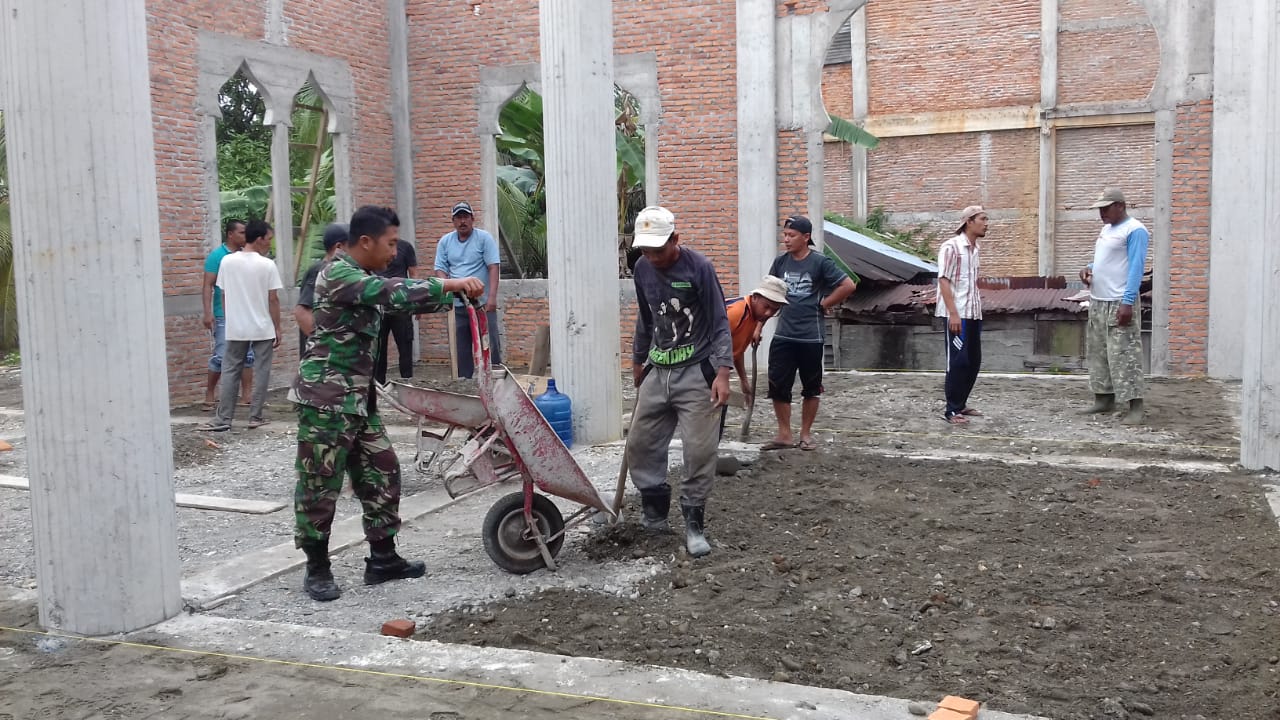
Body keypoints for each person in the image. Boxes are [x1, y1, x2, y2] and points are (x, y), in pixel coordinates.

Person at [290, 205, 483, 602]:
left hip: (359, 398)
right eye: (391, 243)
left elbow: (400, 299)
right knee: (320, 485)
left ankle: (383, 558)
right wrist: (449, 285)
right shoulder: (339, 274)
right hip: (327, 400)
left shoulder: (364, 278)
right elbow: (392, 291)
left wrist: (456, 296)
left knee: (382, 472)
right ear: (366, 242)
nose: (396, 251)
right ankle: (317, 567)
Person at [626, 205, 732, 558]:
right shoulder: (641, 268)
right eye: (646, 249)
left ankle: (693, 524)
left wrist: (722, 372)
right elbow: (644, 317)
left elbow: (719, 321)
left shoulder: (699, 267)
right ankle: (654, 514)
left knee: (699, 451)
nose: (652, 257)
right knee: (640, 443)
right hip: (658, 368)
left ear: (676, 239)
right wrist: (638, 359)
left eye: (659, 249)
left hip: (696, 370)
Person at [764, 215, 856, 451]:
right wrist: (757, 325)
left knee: (811, 387)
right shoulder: (780, 263)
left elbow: (848, 285)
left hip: (810, 336)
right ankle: (784, 434)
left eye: (791, 235)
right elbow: (769, 296)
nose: (786, 239)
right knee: (778, 385)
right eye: (785, 235)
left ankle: (805, 434)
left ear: (806, 238)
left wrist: (824, 304)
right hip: (784, 334)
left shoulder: (820, 262)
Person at [203, 219, 282, 431]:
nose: (269, 244)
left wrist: (231, 319)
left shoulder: (228, 262)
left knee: (230, 370)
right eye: (268, 239)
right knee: (262, 369)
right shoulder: (267, 265)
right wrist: (277, 326)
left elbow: (223, 294)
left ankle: (223, 419)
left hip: (236, 327)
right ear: (259, 239)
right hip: (262, 327)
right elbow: (273, 299)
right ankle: (255, 416)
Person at [1078, 188, 1149, 425]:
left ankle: (1135, 405)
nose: (1102, 213)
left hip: (1119, 300)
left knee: (1124, 354)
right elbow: (1106, 260)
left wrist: (1128, 302)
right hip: (1099, 299)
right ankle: (1104, 398)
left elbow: (1136, 267)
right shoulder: (1107, 229)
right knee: (1099, 352)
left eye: (1106, 208)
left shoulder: (1135, 230)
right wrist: (1089, 268)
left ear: (1120, 205)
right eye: (1100, 208)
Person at [434, 201, 501, 378]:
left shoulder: (484, 238)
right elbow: (439, 269)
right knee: (461, 349)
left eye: (465, 217)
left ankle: (494, 380)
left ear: (472, 218)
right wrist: (447, 285)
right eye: (458, 218)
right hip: (457, 305)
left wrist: (492, 298)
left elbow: (493, 267)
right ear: (453, 221)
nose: (462, 221)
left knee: (489, 345)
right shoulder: (445, 242)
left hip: (482, 304)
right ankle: (466, 382)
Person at [936, 205, 987, 425]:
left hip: (973, 313)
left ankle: (962, 403)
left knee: (974, 361)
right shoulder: (951, 247)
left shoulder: (975, 250)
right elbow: (943, 280)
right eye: (983, 219)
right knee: (958, 361)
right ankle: (951, 410)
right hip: (957, 314)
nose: (986, 223)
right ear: (969, 221)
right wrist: (953, 314)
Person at [201, 218, 253, 410]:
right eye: (241, 232)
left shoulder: (247, 255)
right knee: (221, 354)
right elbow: (207, 285)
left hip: (244, 312)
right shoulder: (217, 256)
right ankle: (209, 393)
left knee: (248, 355)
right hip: (223, 313)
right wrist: (208, 313)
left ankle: (246, 395)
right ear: (230, 234)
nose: (245, 236)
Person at [725, 275, 789, 396]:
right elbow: (711, 348)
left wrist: (743, 380)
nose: (769, 313)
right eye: (766, 307)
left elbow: (736, 351)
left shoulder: (753, 316)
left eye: (775, 310)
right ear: (755, 297)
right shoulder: (736, 313)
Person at [373, 222, 418, 383]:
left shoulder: (405, 247)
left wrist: (416, 303)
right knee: (379, 348)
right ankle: (379, 385)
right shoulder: (375, 248)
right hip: (379, 306)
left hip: (402, 306)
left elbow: (413, 275)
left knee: (405, 346)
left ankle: (407, 382)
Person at [296, 223, 348, 353]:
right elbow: (302, 312)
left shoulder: (342, 272)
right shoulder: (320, 270)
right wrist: (323, 346)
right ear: (339, 247)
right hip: (322, 360)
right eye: (352, 246)